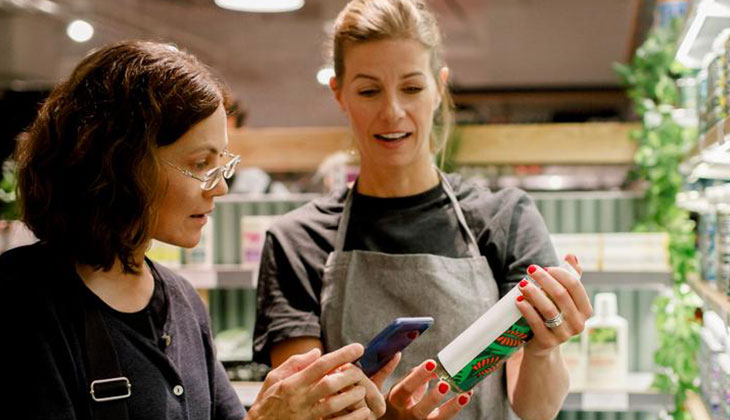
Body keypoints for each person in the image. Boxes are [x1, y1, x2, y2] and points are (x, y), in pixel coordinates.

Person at [0, 40, 386, 420]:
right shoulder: (27, 295)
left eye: (222, 164)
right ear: (121, 162)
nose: (220, 187)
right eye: (201, 164)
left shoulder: (183, 303)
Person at [252, 1, 593, 419]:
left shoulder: (505, 220)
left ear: (438, 88)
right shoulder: (297, 241)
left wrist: (543, 348)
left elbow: (536, 409)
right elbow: (306, 409)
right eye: (369, 91)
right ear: (339, 93)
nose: (392, 111)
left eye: (411, 88)